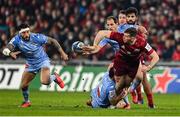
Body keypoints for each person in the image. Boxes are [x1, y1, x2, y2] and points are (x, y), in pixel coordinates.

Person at [86, 27, 159, 104]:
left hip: (132, 66)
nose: (124, 37)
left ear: (132, 38)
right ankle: (110, 99)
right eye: (124, 35)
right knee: (118, 87)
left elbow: (155, 57)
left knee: (126, 84)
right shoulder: (120, 36)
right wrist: (95, 45)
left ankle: (117, 98)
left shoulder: (142, 43)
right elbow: (101, 32)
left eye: (126, 36)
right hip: (120, 63)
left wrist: (149, 67)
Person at [2, 23, 68, 108]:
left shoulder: (37, 37)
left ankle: (54, 77)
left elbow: (53, 41)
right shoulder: (16, 39)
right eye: (24, 32)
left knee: (44, 81)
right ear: (20, 33)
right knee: (23, 85)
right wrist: (10, 53)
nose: (26, 34)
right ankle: (27, 102)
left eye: (27, 32)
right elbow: (5, 50)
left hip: (43, 60)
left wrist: (62, 53)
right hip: (31, 64)